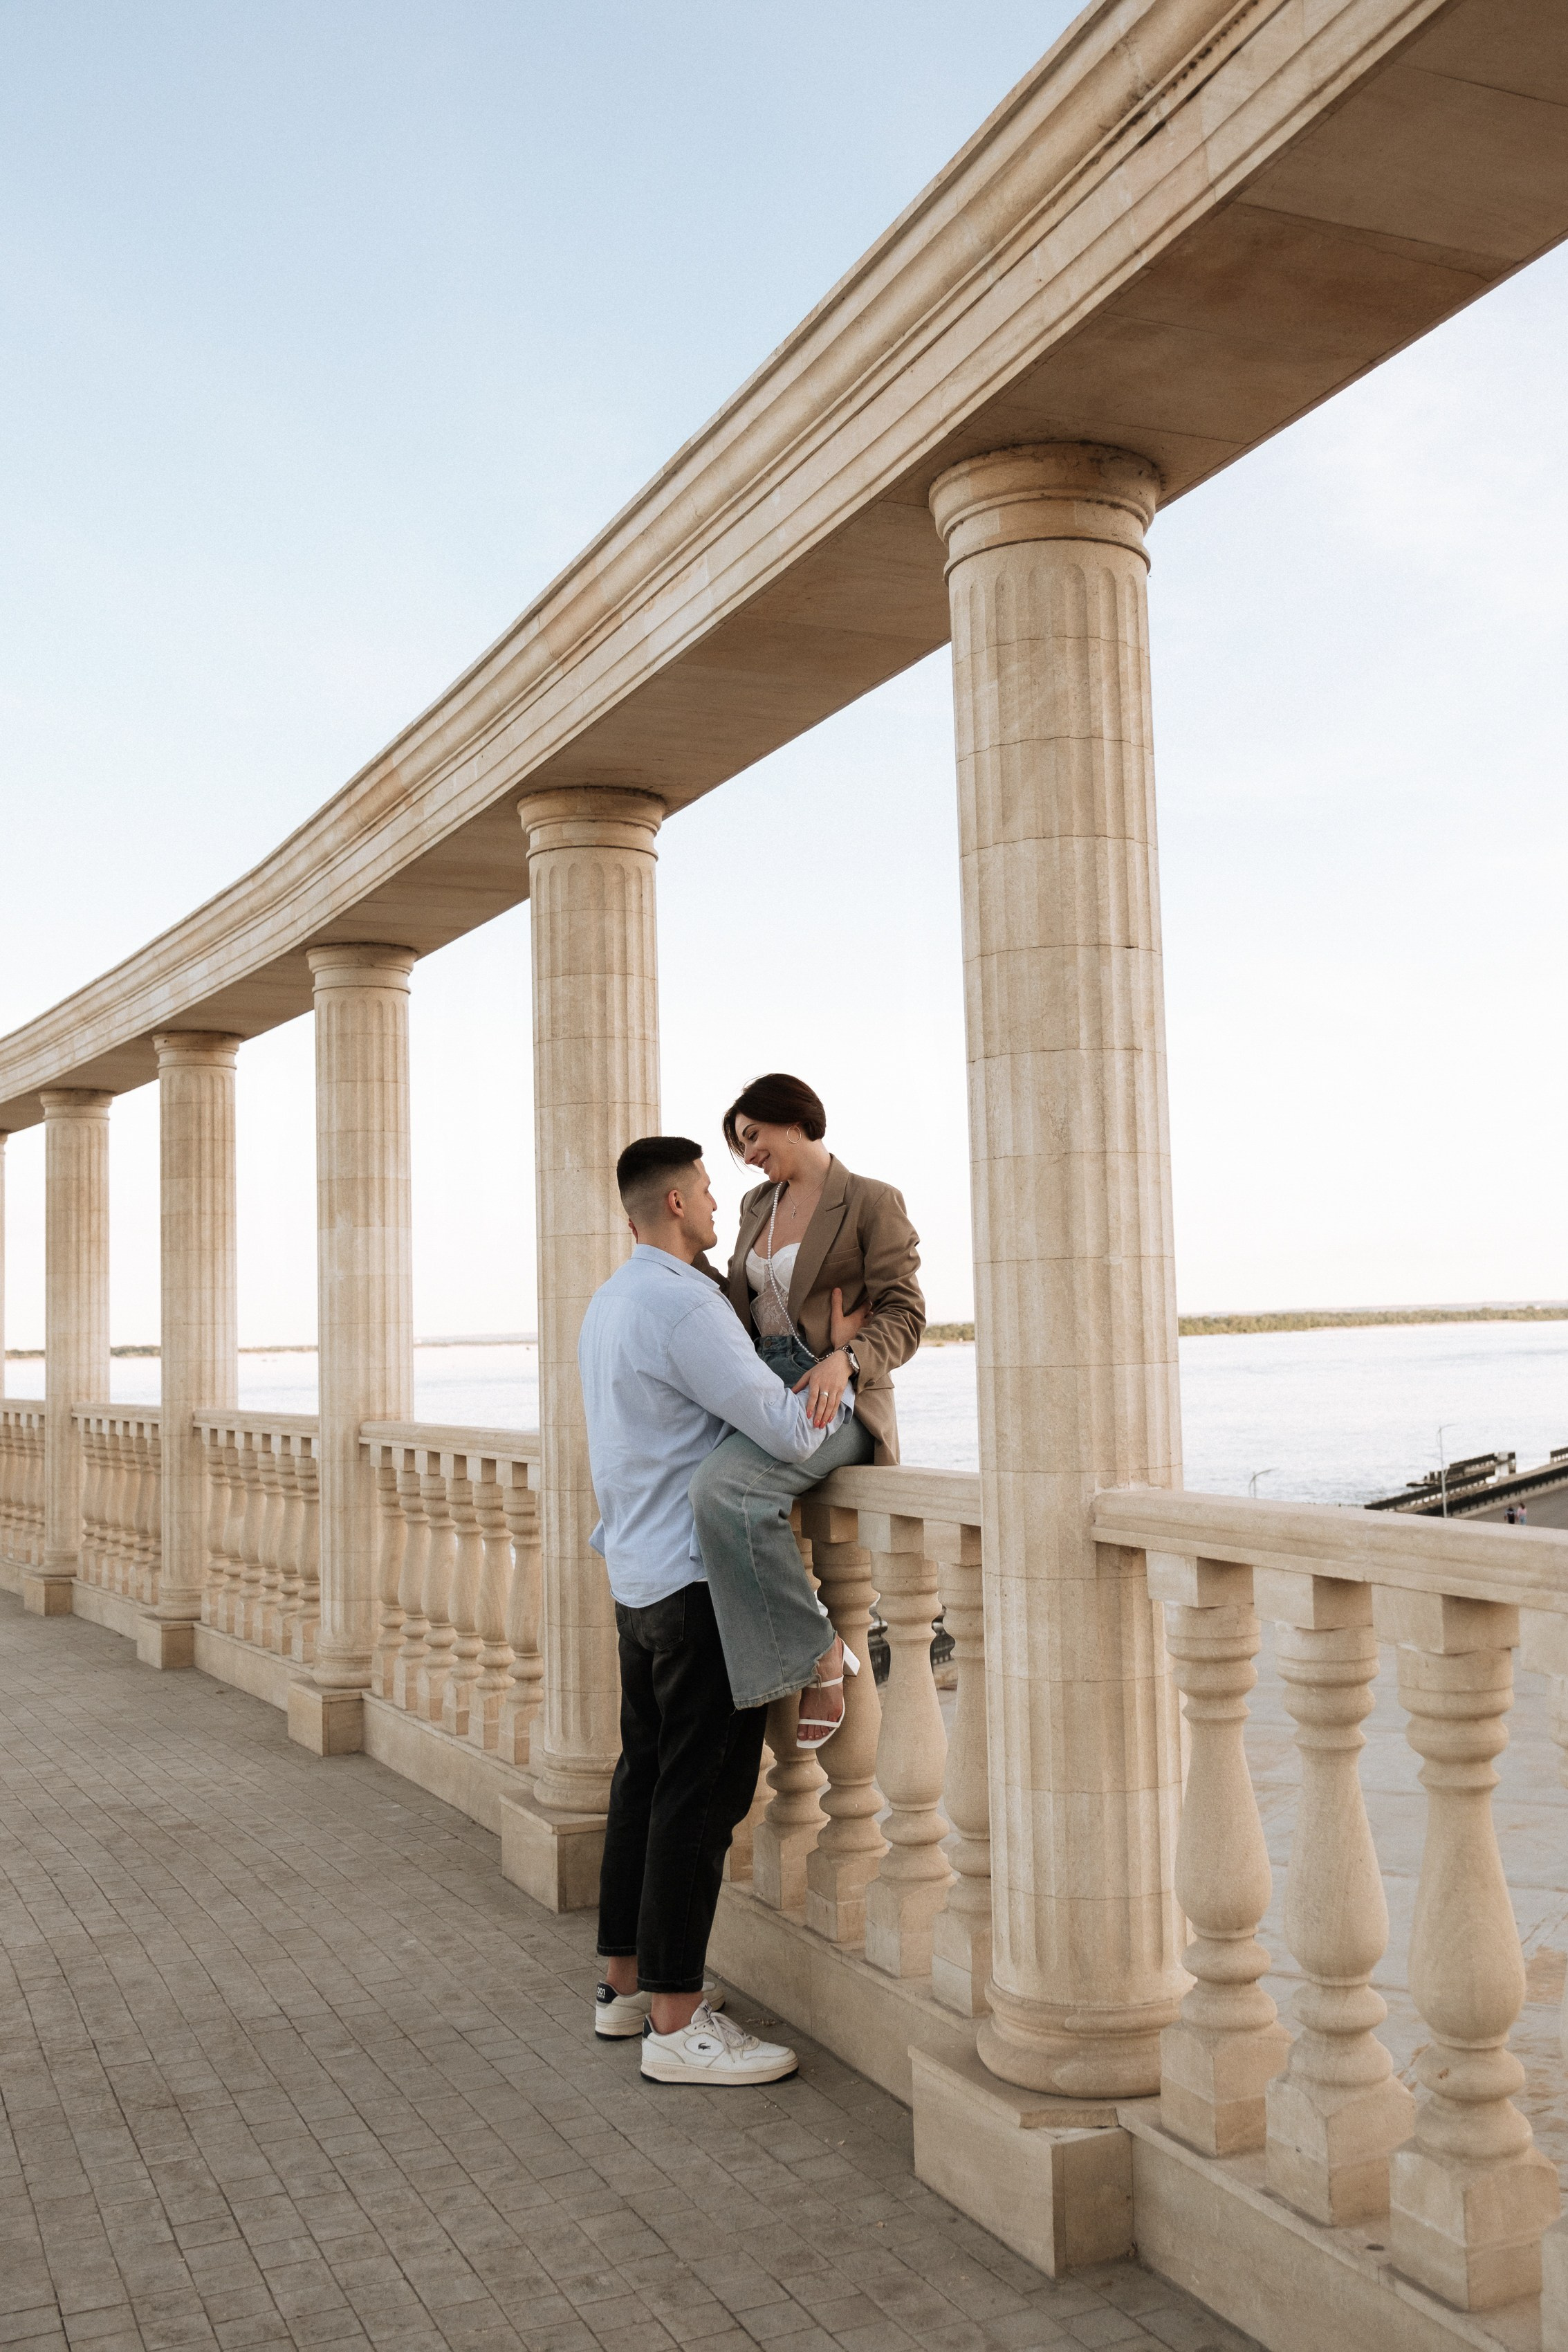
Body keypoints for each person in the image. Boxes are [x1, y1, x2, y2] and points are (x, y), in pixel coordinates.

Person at [578, 1133, 854, 2086]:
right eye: (701, 1188)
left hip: (636, 1576)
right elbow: (780, 1426)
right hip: (696, 1583)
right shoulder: (684, 1305)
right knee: (700, 1802)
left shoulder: (610, 1301)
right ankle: (675, 2026)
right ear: (671, 1207)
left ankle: (625, 1991)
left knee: (645, 1786)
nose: (712, 1200)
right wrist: (837, 1371)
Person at [690, 1072, 925, 1747]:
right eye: (739, 1145)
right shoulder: (754, 1205)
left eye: (753, 1136)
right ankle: (766, 1664)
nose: (748, 1154)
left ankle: (817, 1650)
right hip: (760, 1385)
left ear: (791, 1120)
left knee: (722, 1490)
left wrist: (844, 1358)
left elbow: (906, 1314)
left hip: (836, 1396)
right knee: (692, 1487)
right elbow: (739, 1301)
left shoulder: (871, 1201)